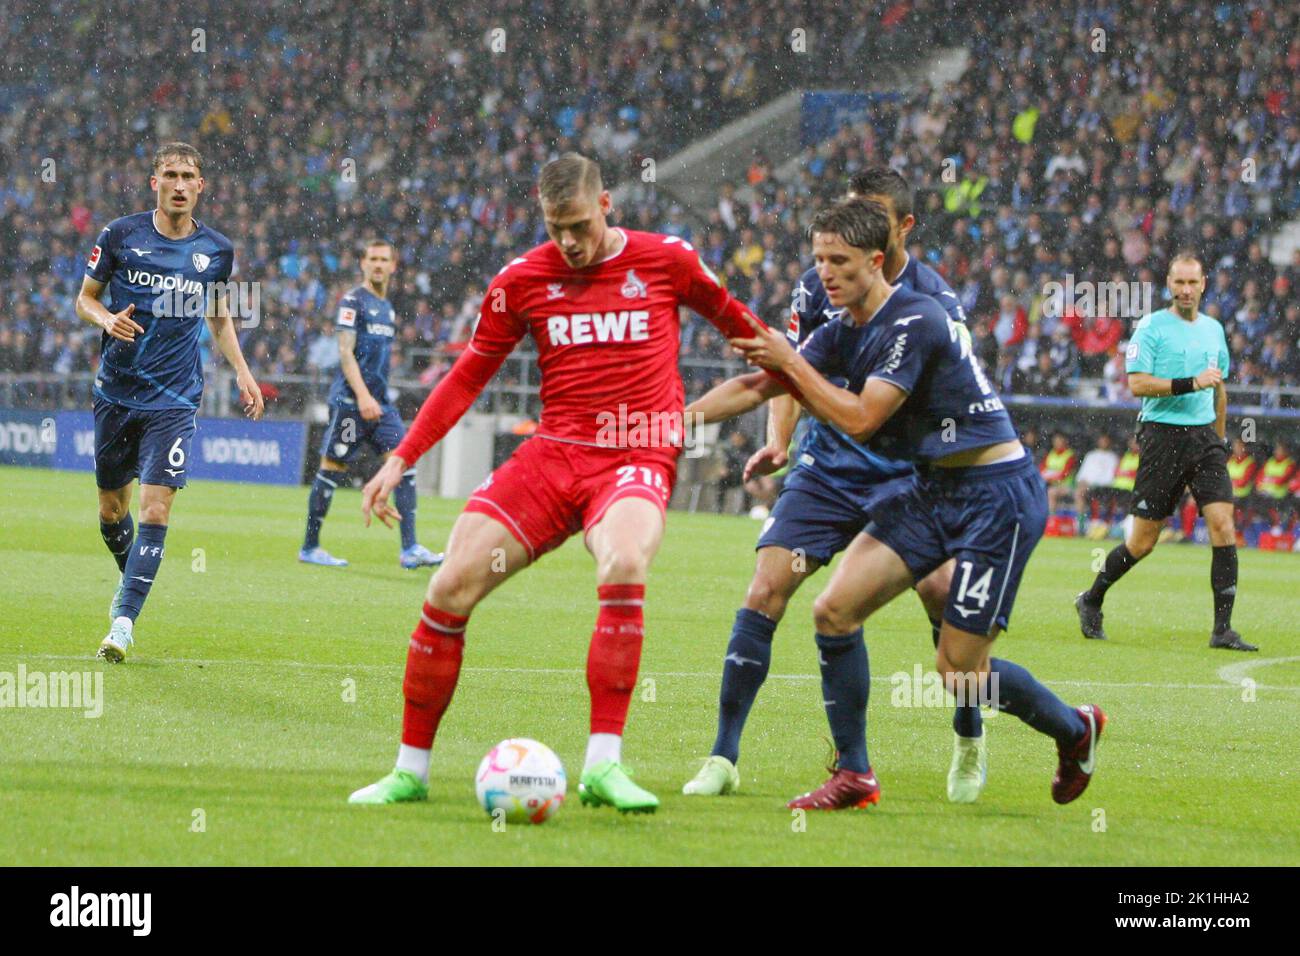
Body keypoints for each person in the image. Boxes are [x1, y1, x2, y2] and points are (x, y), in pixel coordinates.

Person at [346, 153, 795, 812]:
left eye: (580, 225)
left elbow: (752, 335)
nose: (570, 242)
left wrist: (799, 383)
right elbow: (468, 374)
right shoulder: (522, 279)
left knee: (622, 562)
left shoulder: (666, 261)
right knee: (448, 586)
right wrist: (399, 457)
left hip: (634, 455)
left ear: (606, 205)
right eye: (557, 228)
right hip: (552, 455)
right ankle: (410, 770)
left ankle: (603, 766)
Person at [691, 198, 1104, 809]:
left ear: (877, 260)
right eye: (819, 260)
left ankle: (1075, 729)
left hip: (996, 497)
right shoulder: (842, 327)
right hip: (932, 490)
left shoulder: (918, 319)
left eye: (839, 261)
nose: (825, 273)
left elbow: (860, 418)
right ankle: (854, 775)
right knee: (833, 611)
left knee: (958, 671)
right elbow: (761, 385)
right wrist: (664, 422)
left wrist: (789, 364)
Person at [680, 166, 988, 805]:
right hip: (829, 467)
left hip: (905, 471)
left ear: (896, 232)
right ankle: (726, 755)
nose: (843, 241)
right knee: (766, 587)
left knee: (940, 592)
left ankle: (968, 732)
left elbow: (901, 407)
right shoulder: (820, 285)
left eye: (867, 219)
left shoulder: (932, 305)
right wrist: (778, 439)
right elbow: (785, 371)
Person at [75, 142, 264, 663]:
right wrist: (106, 320)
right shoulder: (119, 235)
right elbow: (84, 298)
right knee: (112, 513)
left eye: (188, 177)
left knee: (155, 506)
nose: (179, 184)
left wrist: (245, 374)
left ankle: (122, 622)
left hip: (175, 399)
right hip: (115, 392)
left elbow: (219, 317)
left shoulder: (217, 251)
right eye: (170, 175)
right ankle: (134, 578)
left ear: (201, 187)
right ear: (154, 182)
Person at [1077, 253, 1254, 651]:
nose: (1186, 290)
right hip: (1163, 437)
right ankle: (1091, 598)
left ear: (1204, 284)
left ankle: (1222, 629)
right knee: (1142, 542)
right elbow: (1138, 385)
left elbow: (1219, 388)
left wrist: (1221, 440)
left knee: (1224, 525)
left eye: (1193, 283)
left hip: (1205, 439)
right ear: (1169, 285)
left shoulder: (1214, 329)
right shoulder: (1152, 327)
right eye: (1179, 283)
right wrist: (1190, 383)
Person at [298, 239, 442, 570]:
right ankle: (310, 546)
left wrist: (374, 397)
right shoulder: (353, 301)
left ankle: (410, 549)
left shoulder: (387, 308)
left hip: (381, 405)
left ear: (393, 266)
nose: (378, 265)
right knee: (332, 469)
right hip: (351, 403)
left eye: (384, 260)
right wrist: (362, 396)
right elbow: (345, 352)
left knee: (403, 464)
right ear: (362, 263)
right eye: (372, 259)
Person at [1075, 433, 1119, 520]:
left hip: (1104, 488)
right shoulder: (1090, 455)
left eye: (1105, 440)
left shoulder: (1113, 457)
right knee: (1079, 493)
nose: (1103, 442)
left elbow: (1111, 478)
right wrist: (1083, 482)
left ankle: (1098, 521)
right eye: (1101, 440)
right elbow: (1081, 475)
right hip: (1088, 487)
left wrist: (1094, 484)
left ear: (1109, 442)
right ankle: (1080, 522)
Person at [1040, 432, 1078, 513]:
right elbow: (1042, 470)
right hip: (1052, 484)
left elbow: (1064, 474)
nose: (1057, 443)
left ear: (1065, 441)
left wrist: (1049, 477)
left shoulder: (1070, 455)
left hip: (1067, 486)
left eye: (1059, 440)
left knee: (1051, 492)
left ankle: (1051, 518)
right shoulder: (1050, 454)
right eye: (1055, 441)